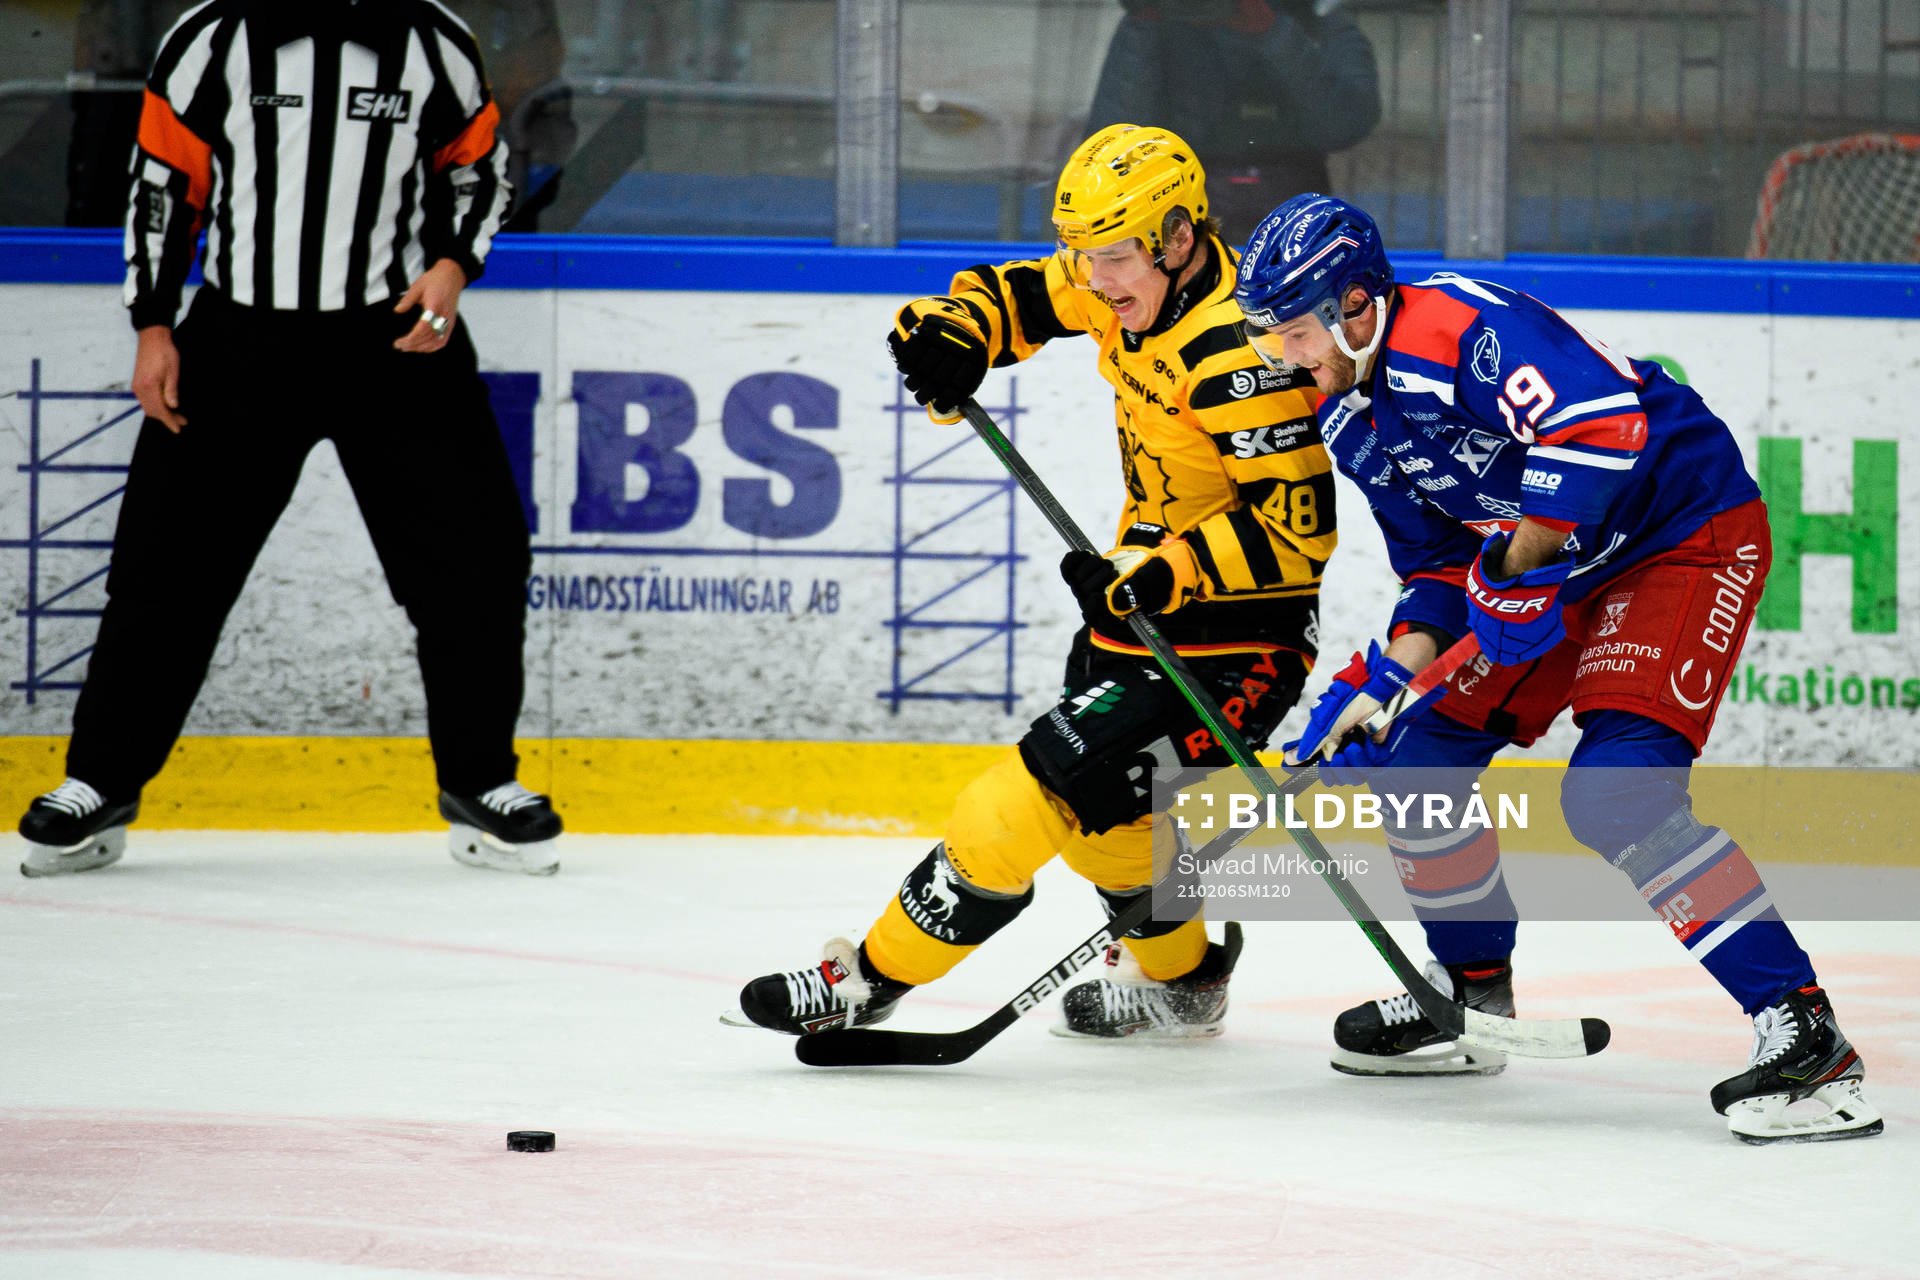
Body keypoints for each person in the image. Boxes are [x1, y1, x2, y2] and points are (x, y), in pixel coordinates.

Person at [1232, 193, 1881, 1143]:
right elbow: (1436, 570)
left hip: (1679, 535)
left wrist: (1516, 567)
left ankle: (1808, 1039)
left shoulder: (1461, 330)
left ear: (1357, 306)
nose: (1283, 359)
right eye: (1270, 338)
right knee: (1416, 757)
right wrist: (1382, 680)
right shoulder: (1348, 419)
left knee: (1619, 796)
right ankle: (1471, 996)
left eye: (1293, 333)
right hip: (1562, 567)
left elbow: (1601, 425)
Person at [735, 123, 1336, 1040]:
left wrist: (1158, 572)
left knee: (1016, 803)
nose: (1097, 279)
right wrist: (953, 336)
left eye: (1118, 257)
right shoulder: (1125, 285)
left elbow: (1297, 541)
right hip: (1134, 606)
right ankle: (1187, 981)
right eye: (1087, 255)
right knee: (1118, 836)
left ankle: (868, 977)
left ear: (1179, 238)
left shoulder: (1240, 356)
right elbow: (1019, 294)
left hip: (1236, 641)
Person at [16, 0, 563, 878]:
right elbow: (162, 185)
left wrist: (454, 265)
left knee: (476, 563)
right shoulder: (210, 36)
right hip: (239, 344)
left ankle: (481, 782)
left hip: (397, 339)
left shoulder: (432, 38)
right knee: (164, 576)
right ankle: (99, 783)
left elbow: (480, 169)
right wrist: (154, 325)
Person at [1086, 0, 1380, 245]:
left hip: (1296, 218)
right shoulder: (1156, 21)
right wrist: (1148, 20)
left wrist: (1273, 30)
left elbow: (1347, 122)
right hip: (1185, 214)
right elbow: (1115, 144)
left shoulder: (1312, 15)